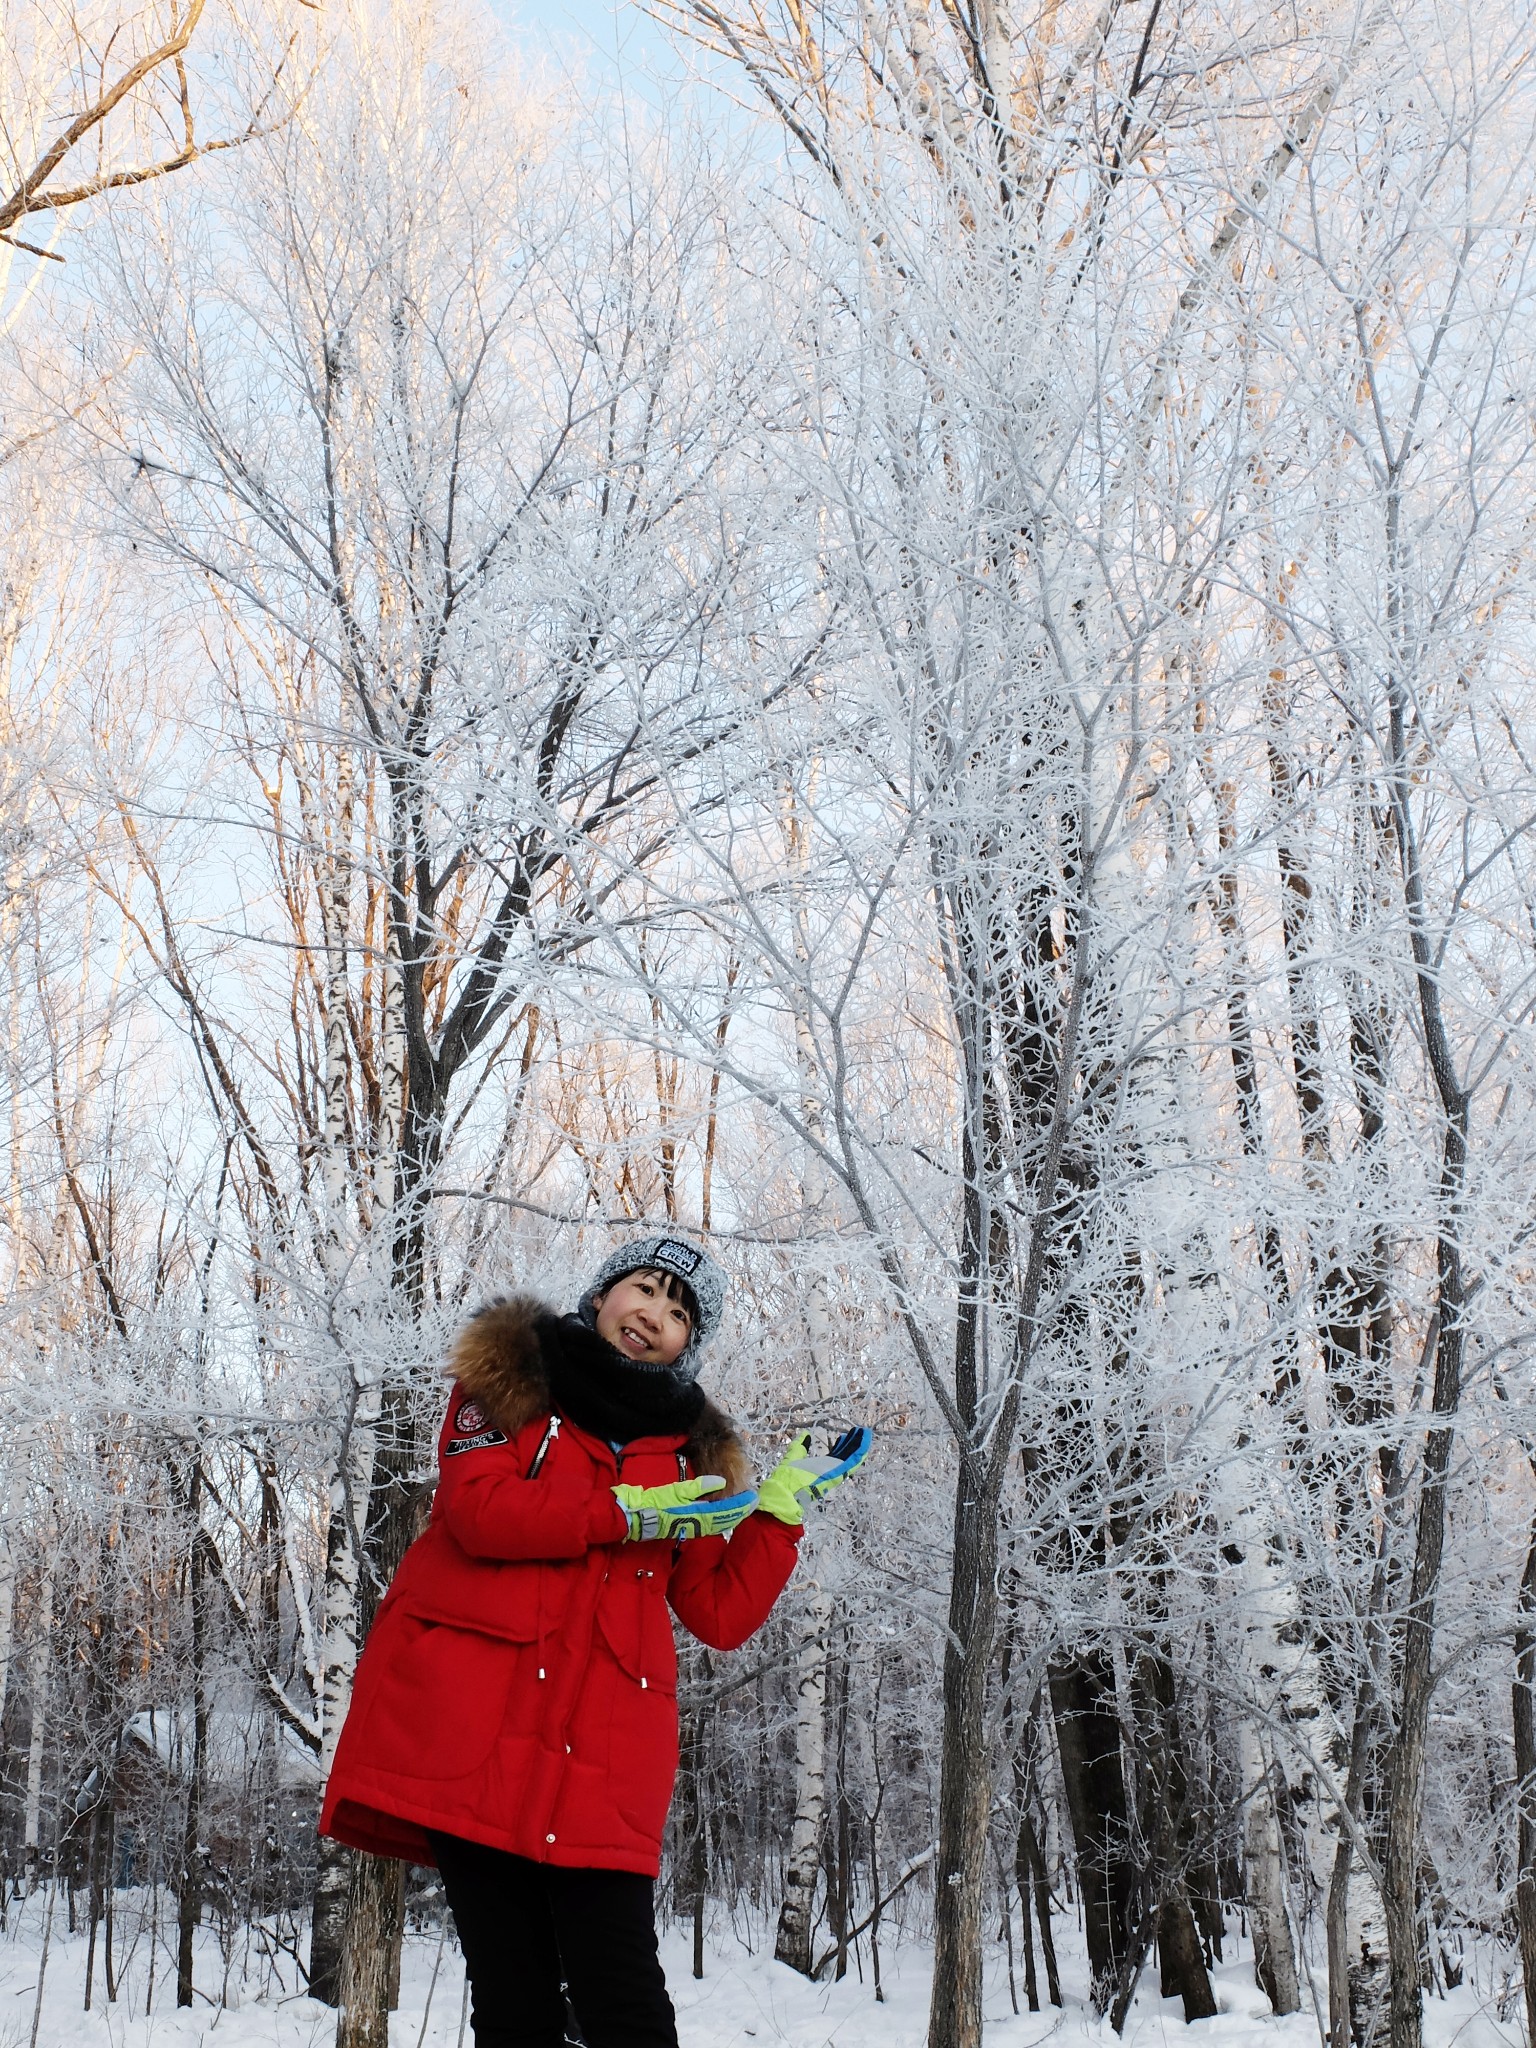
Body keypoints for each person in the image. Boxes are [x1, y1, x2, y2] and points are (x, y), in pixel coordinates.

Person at [319, 1232, 871, 2048]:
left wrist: (774, 1518)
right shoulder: (508, 1378)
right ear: (603, 1293)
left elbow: (718, 1613)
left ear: (690, 1342)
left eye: (679, 1311)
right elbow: (479, 1514)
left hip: (605, 1754)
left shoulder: (695, 1451)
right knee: (517, 2004)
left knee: (626, 2002)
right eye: (643, 1289)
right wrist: (620, 1516)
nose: (654, 1313)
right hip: (477, 1735)